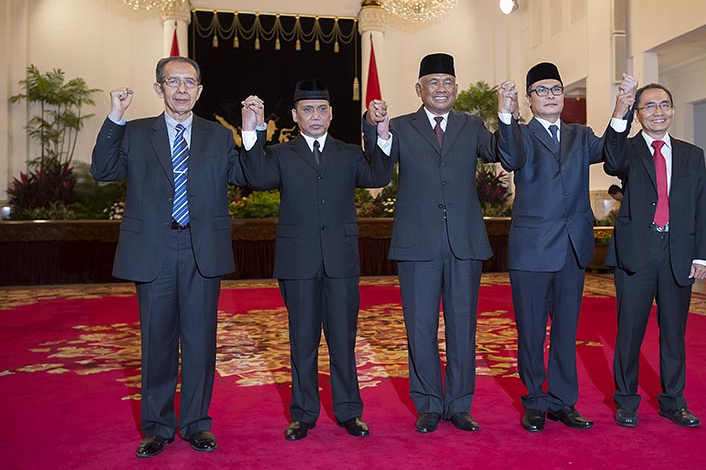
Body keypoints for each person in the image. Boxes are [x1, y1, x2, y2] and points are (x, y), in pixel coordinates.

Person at [90, 56, 248, 457]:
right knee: (156, 342)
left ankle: (197, 423)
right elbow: (103, 170)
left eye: (189, 82)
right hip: (154, 251)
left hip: (201, 249)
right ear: (159, 88)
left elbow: (248, 175)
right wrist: (115, 116)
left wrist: (251, 133)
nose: (181, 89)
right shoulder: (137, 132)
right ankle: (157, 427)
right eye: (172, 81)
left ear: (199, 90)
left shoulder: (217, 135)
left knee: (200, 341)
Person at [239, 80, 393, 441]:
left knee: (344, 341)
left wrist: (381, 133)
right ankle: (304, 413)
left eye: (322, 109)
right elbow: (257, 178)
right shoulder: (281, 154)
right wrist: (251, 130)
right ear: (295, 115)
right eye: (307, 109)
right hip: (298, 262)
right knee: (302, 342)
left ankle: (349, 412)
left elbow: (379, 175)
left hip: (341, 261)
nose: (315, 116)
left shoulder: (350, 152)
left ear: (332, 113)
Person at [362, 53, 499, 433]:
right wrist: (375, 127)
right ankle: (427, 403)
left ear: (456, 89)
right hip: (417, 243)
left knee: (462, 326)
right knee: (420, 326)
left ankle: (458, 404)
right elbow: (377, 167)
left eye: (447, 82)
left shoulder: (472, 125)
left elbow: (500, 152)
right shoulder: (401, 127)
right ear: (419, 89)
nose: (441, 88)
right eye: (433, 82)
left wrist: (507, 114)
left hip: (464, 243)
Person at [496, 63, 632, 432]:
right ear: (529, 99)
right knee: (531, 329)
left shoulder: (580, 134)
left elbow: (611, 153)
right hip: (532, 249)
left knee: (566, 330)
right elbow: (508, 157)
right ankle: (535, 401)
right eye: (541, 90)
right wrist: (505, 116)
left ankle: (562, 401)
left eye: (555, 89)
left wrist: (621, 111)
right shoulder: (520, 135)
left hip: (573, 246)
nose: (551, 95)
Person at [603, 82, 706, 429]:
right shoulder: (628, 150)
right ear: (638, 114)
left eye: (664, 105)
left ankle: (673, 401)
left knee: (673, 333)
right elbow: (610, 160)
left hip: (678, 253)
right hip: (638, 251)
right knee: (630, 332)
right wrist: (620, 110)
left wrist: (703, 256)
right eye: (649, 106)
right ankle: (626, 401)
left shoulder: (691, 154)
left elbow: (702, 207)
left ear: (673, 110)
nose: (658, 112)